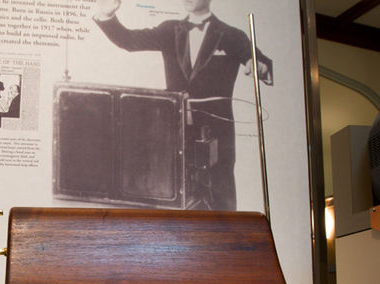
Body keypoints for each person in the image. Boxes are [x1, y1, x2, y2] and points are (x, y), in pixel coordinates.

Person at [94, 0, 272, 210]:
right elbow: (129, 40)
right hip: (174, 131)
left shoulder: (231, 35)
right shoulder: (169, 29)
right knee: (174, 193)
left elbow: (262, 63)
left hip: (217, 134)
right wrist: (107, 15)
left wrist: (256, 65)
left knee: (220, 198)